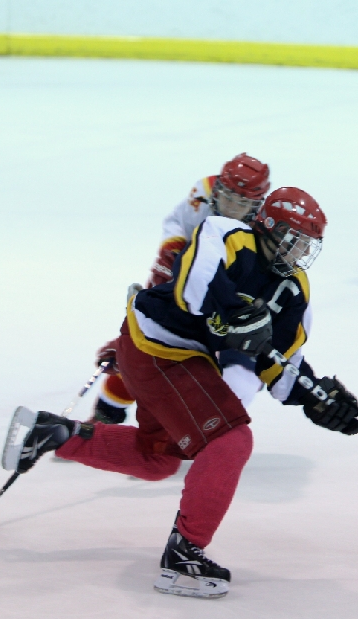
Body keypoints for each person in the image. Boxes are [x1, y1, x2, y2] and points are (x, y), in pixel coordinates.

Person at [2, 187, 358, 598]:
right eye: (294, 240)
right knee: (231, 439)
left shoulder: (295, 290)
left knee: (158, 459)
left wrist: (318, 398)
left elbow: (282, 365)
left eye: (307, 245)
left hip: (178, 360)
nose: (300, 253)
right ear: (268, 227)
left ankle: (55, 434)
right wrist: (234, 315)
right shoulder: (225, 234)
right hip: (158, 346)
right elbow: (193, 290)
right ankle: (184, 555)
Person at [91, 153, 271, 425]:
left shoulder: (260, 231)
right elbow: (177, 229)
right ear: (218, 190)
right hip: (188, 276)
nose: (232, 208)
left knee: (206, 370)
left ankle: (192, 428)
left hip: (230, 302)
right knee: (146, 344)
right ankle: (105, 415)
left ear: (256, 205)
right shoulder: (203, 192)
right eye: (228, 198)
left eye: (242, 203)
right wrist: (142, 321)